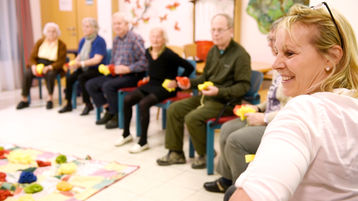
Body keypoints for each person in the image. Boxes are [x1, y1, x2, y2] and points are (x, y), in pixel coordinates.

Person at [230, 3, 358, 201]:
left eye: (290, 53)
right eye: (277, 51)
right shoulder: (349, 105)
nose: (276, 64)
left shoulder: (305, 111)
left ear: (331, 57)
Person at [203, 19, 290, 194]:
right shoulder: (278, 64)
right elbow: (273, 99)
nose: (269, 44)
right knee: (227, 128)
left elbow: (291, 108)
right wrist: (258, 108)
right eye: (269, 39)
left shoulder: (289, 67)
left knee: (236, 140)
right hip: (266, 115)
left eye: (273, 40)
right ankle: (226, 179)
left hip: (278, 123)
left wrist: (264, 118)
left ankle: (243, 190)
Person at [156, 13, 251, 169]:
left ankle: (206, 153)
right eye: (213, 30)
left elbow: (243, 87)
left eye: (220, 30)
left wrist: (218, 92)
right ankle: (176, 153)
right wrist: (188, 84)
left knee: (193, 118)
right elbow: (204, 78)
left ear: (231, 31)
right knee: (174, 109)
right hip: (207, 98)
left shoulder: (240, 55)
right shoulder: (213, 51)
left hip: (226, 102)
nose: (215, 33)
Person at [115, 27, 194, 153]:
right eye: (153, 36)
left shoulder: (169, 54)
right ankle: (126, 134)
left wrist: (177, 82)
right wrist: (148, 77)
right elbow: (153, 68)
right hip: (151, 84)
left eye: (158, 36)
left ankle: (143, 142)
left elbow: (189, 67)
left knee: (143, 104)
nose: (155, 39)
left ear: (164, 39)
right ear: (149, 38)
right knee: (127, 99)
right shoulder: (147, 52)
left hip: (165, 87)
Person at [86, 12, 147, 128]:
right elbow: (113, 61)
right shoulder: (116, 40)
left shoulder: (135, 38)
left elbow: (145, 62)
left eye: (119, 23)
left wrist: (128, 69)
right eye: (114, 24)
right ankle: (109, 110)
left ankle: (117, 116)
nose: (117, 26)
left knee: (108, 86)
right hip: (116, 74)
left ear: (126, 24)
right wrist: (109, 67)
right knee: (91, 84)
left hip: (133, 75)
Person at [59, 17, 107, 115]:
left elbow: (97, 59)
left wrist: (80, 64)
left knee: (82, 77)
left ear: (94, 28)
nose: (84, 29)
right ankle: (68, 103)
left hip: (97, 69)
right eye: (84, 26)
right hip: (85, 67)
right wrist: (73, 64)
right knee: (70, 79)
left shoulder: (99, 40)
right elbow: (80, 56)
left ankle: (88, 104)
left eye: (87, 26)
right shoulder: (83, 40)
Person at [16, 22, 67, 110]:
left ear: (57, 33)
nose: (51, 33)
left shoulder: (62, 45)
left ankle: (50, 98)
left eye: (53, 31)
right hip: (39, 63)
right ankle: (24, 99)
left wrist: (49, 67)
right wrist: (33, 66)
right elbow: (32, 57)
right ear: (45, 32)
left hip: (53, 65)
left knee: (50, 74)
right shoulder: (40, 42)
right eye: (49, 31)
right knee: (27, 73)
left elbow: (61, 61)